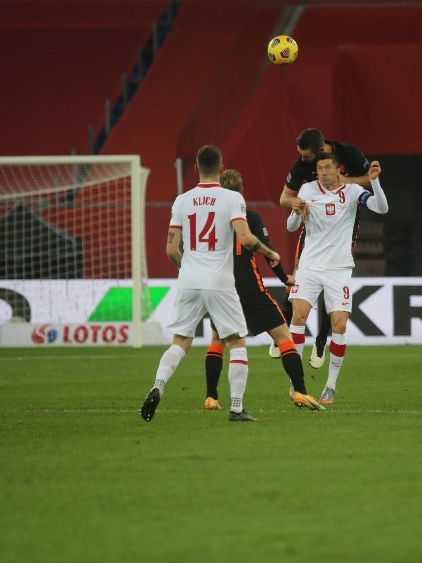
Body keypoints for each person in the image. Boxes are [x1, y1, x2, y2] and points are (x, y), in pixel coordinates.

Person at [140, 145, 280, 423]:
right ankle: (237, 408)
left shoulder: (181, 200)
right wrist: (270, 253)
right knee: (236, 342)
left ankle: (158, 386)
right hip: (219, 280)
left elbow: (170, 250)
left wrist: (188, 267)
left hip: (189, 279)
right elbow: (246, 238)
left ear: (195, 168)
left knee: (180, 342)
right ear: (221, 167)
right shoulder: (232, 198)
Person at [203, 169, 323, 412]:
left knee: (218, 340)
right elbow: (268, 252)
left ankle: (211, 397)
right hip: (248, 285)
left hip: (219, 285)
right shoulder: (251, 217)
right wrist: (284, 278)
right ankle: (300, 391)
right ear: (242, 191)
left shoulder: (211, 219)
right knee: (283, 336)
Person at [286, 152, 389, 404]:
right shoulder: (308, 189)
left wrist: (374, 181)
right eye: (319, 168)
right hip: (310, 265)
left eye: (327, 168)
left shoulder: (352, 191)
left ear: (337, 169)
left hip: (339, 268)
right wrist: (295, 211)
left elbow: (382, 208)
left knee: (339, 326)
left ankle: (330, 384)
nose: (322, 172)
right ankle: (295, 383)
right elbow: (290, 227)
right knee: (298, 318)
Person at [273, 128, 372, 368]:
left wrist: (343, 183)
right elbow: (284, 198)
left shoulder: (349, 153)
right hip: (314, 220)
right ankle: (283, 334)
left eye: (307, 157)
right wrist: (296, 203)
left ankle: (320, 340)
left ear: (320, 151)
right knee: (299, 275)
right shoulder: (301, 167)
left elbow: (372, 179)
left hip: (344, 220)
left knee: (333, 289)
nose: (303, 161)